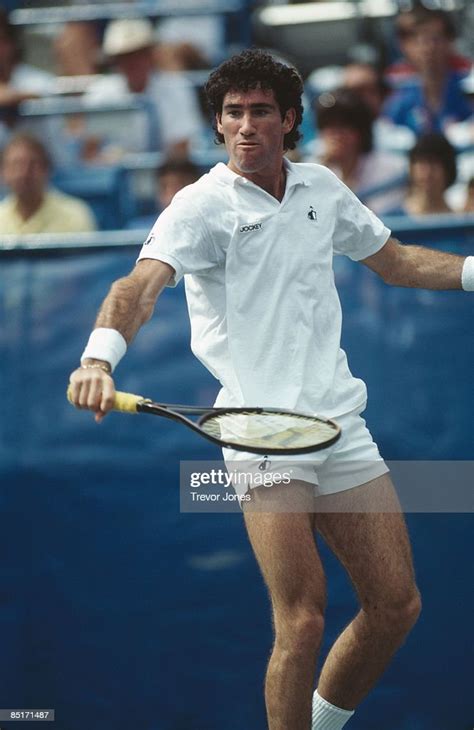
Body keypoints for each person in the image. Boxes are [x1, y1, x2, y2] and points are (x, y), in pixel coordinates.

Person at [68, 49, 473, 730]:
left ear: (289, 121)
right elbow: (136, 289)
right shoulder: (197, 207)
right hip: (259, 433)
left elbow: (399, 263)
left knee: (396, 604)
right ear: (219, 125)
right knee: (304, 617)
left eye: (262, 111)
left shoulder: (320, 187)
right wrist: (99, 359)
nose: (247, 125)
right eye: (233, 112)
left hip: (338, 423)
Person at [85, 17, 204, 159]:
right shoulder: (101, 93)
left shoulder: (176, 87)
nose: (133, 63)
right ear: (114, 61)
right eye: (124, 57)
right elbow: (90, 154)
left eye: (139, 54)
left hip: (167, 174)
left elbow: (181, 148)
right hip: (116, 177)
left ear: (151, 55)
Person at [312, 88, 407, 215]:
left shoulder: (392, 168)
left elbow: (376, 222)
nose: (336, 134)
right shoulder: (315, 168)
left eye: (343, 126)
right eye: (328, 125)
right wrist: (325, 165)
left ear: (361, 131)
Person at [383, 6, 472, 136]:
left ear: (450, 40)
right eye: (418, 40)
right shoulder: (395, 89)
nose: (428, 48)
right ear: (403, 45)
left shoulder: (469, 79)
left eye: (435, 38)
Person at [0, 132, 96, 234]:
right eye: (16, 165)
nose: (24, 173)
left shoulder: (76, 215)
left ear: (47, 169)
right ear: (3, 172)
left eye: (32, 165)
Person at [386, 132, 457, 216]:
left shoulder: (462, 221)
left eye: (433, 163)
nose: (427, 172)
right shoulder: (392, 219)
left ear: (448, 169)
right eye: (420, 162)